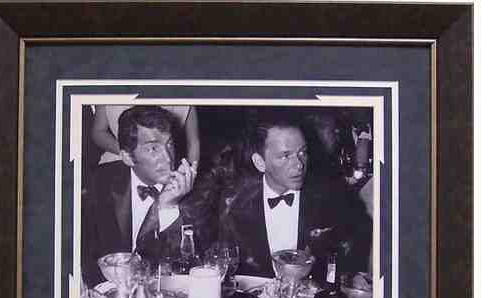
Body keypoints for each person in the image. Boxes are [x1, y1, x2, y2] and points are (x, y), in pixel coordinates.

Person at [186, 110, 371, 280]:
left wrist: (351, 275)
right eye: (285, 156)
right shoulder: (233, 204)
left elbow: (356, 242)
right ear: (260, 163)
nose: (299, 164)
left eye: (302, 152)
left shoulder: (331, 196)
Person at [81, 106, 196, 287]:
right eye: (153, 149)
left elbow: (187, 269)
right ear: (127, 157)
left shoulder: (192, 192)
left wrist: (167, 207)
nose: (168, 158)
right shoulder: (99, 184)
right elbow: (85, 254)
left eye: (170, 145)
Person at [91, 105, 200, 169]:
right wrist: (131, 154)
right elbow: (98, 132)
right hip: (119, 162)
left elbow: (193, 143)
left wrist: (189, 174)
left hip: (168, 166)